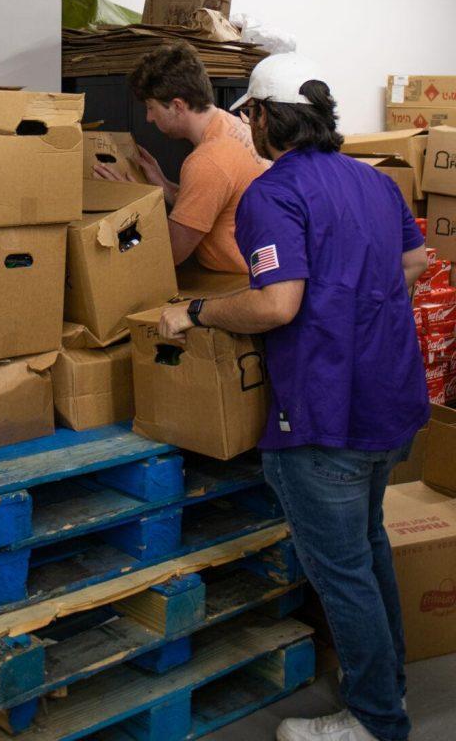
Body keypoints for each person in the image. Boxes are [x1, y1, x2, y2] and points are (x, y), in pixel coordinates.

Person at [158, 52, 430, 741]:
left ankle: (374, 721)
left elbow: (277, 305)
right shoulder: (370, 180)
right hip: (391, 402)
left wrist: (194, 314)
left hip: (326, 413)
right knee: (367, 552)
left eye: (248, 113)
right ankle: (387, 688)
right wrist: (358, 305)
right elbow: (413, 261)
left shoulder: (273, 193)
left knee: (344, 575)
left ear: (262, 117)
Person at [94, 41, 269, 272]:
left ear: (177, 106)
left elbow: (170, 253)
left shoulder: (208, 161)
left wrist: (132, 202)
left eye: (150, 107)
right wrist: (164, 185)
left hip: (234, 281)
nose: (148, 118)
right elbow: (208, 203)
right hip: (253, 269)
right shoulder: (233, 124)